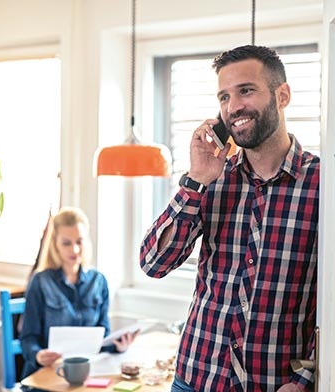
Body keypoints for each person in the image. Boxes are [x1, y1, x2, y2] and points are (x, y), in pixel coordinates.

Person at [139, 45, 319, 392]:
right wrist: (196, 181)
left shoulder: (322, 184)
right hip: (194, 378)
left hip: (272, 385)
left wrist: (305, 377)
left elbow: (329, 300)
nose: (233, 107)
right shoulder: (211, 179)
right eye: (224, 97)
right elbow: (153, 263)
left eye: (246, 91)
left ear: (283, 96)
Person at [20, 207, 136, 379]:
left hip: (85, 375)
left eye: (79, 241)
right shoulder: (40, 282)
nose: (74, 250)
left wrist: (119, 346)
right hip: (47, 375)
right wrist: (38, 355)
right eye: (67, 243)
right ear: (55, 245)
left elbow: (101, 339)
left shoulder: (98, 281)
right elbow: (28, 338)